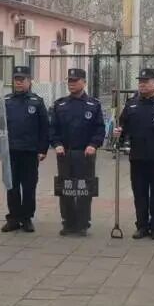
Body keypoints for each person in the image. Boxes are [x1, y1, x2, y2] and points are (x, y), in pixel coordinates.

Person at [114, 68, 154, 240]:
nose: (142, 84)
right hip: (137, 157)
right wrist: (119, 134)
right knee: (139, 193)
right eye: (140, 81)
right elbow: (123, 127)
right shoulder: (131, 104)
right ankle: (141, 226)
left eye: (146, 81)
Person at [50, 68, 106, 236]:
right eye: (70, 81)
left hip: (85, 154)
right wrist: (57, 144)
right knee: (66, 188)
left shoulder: (93, 105)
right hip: (65, 153)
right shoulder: (60, 104)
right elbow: (52, 129)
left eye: (75, 81)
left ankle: (82, 223)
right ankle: (68, 222)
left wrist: (93, 145)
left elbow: (99, 129)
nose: (72, 84)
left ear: (84, 82)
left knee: (84, 189)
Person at [0, 65, 49, 233]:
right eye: (16, 79)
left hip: (30, 152)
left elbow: (44, 127)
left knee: (29, 187)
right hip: (10, 152)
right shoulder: (6, 101)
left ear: (29, 81)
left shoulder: (37, 101)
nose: (19, 83)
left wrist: (42, 149)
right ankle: (13, 218)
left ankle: (27, 218)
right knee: (11, 186)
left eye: (22, 80)